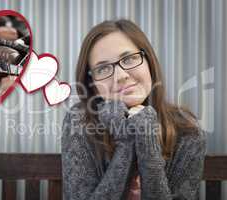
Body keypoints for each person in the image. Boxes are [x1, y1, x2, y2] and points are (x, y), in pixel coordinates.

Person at [61, 19, 206, 200]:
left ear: (149, 61)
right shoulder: (79, 120)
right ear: (92, 84)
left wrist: (147, 137)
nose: (121, 76)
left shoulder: (187, 131)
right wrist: (126, 140)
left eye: (129, 59)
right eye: (103, 68)